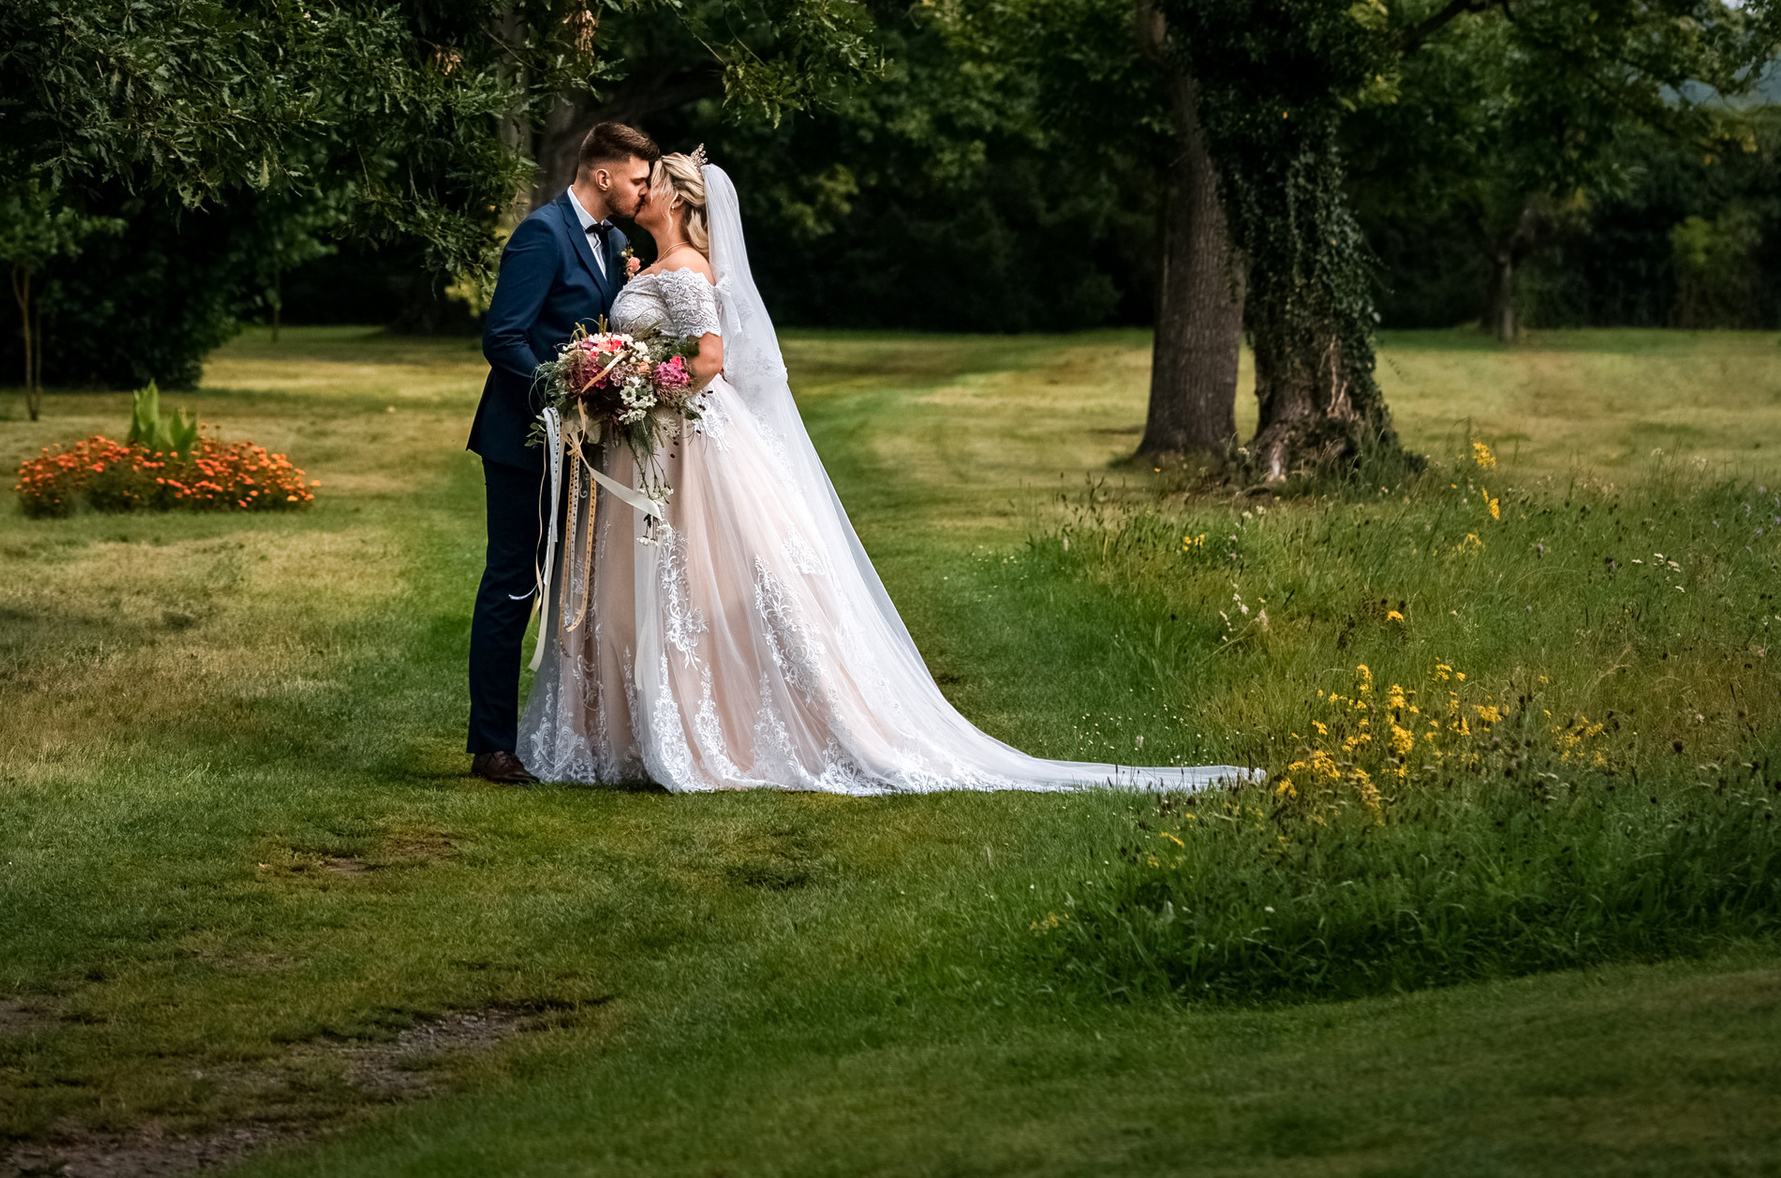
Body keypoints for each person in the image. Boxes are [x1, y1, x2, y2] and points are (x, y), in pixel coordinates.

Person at [519, 149, 1249, 796]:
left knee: (698, 582)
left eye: (651, 183)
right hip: (655, 439)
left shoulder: (686, 271)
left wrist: (637, 382)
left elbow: (709, 360)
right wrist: (621, 377)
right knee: (653, 586)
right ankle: (641, 729)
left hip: (685, 439)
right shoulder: (651, 264)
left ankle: (713, 726)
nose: (640, 191)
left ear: (678, 199)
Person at [464, 117, 659, 783]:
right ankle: (491, 745)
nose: (643, 191)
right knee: (513, 583)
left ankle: (574, 733)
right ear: (603, 175)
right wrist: (564, 393)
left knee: (577, 589)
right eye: (637, 179)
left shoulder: (614, 242)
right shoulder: (541, 234)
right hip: (523, 441)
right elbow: (504, 338)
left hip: (583, 447)